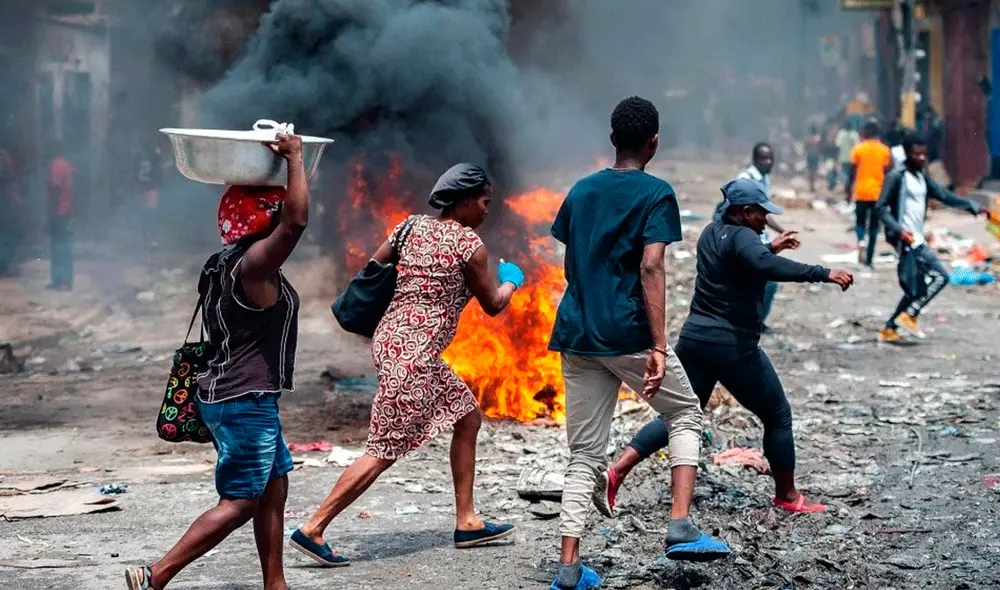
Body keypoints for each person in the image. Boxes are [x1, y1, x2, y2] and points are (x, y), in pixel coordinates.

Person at [292, 163, 523, 566]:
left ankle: (467, 522)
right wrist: (510, 280)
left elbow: (375, 268)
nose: (488, 210)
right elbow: (493, 304)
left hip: (393, 342)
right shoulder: (470, 246)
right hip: (414, 358)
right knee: (381, 450)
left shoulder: (409, 227)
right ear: (466, 200)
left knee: (468, 417)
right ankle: (313, 527)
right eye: (485, 202)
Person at [548, 96, 730, 590]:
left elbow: (573, 262)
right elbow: (651, 266)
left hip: (576, 333)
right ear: (654, 142)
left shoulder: (582, 190)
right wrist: (657, 344)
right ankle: (680, 523)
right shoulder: (656, 193)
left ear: (612, 140)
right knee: (686, 412)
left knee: (584, 454)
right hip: (626, 331)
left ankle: (568, 568)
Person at [596, 178, 855, 520]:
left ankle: (617, 470)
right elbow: (762, 266)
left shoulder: (710, 233)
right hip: (732, 346)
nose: (766, 219)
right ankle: (788, 495)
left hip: (695, 340)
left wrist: (771, 248)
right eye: (761, 213)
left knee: (680, 414)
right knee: (777, 414)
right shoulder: (745, 237)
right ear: (745, 213)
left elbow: (742, 266)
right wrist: (823, 272)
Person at [125, 133, 307, 590]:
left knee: (274, 484)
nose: (283, 214)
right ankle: (156, 575)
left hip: (240, 395)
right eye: (275, 210)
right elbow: (298, 222)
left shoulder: (223, 262)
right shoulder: (253, 267)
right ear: (265, 221)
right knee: (240, 500)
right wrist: (295, 159)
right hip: (243, 400)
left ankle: (275, 582)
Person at [875, 133, 989, 343]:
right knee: (940, 277)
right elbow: (880, 209)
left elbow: (945, 196)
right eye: (916, 154)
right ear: (907, 155)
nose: (921, 158)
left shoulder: (922, 178)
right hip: (909, 241)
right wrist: (899, 231)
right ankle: (909, 315)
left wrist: (974, 207)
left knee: (915, 289)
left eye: (923, 154)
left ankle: (889, 328)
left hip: (918, 238)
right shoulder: (897, 178)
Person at [726, 143, 791, 331]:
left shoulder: (764, 178)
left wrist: (781, 232)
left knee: (761, 281)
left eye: (771, 158)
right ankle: (751, 323)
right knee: (766, 280)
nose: (768, 162)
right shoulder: (745, 180)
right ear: (755, 160)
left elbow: (764, 212)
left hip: (757, 239)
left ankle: (753, 322)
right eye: (764, 158)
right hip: (746, 239)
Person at [847, 119, 892, 267]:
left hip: (861, 192)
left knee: (860, 222)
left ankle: (861, 242)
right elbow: (888, 173)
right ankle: (869, 260)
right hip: (878, 194)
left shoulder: (858, 149)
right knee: (873, 226)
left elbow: (852, 173)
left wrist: (848, 191)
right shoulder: (885, 150)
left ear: (865, 132)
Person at [47, 143, 75, 291]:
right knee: (63, 247)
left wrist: (50, 214)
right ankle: (62, 280)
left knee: (59, 247)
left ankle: (61, 281)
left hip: (59, 212)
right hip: (67, 210)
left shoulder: (56, 164)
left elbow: (56, 189)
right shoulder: (67, 164)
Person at [830, 120, 859, 191]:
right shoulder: (854, 134)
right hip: (852, 158)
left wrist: (835, 157)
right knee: (849, 173)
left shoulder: (841, 134)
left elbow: (837, 146)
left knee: (845, 173)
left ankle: (847, 186)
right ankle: (848, 186)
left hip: (844, 158)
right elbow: (857, 146)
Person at [805, 123, 822, 193]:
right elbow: (820, 148)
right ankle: (813, 186)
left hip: (809, 155)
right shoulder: (818, 138)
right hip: (815, 156)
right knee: (814, 171)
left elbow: (805, 147)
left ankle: (811, 185)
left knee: (810, 171)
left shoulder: (808, 138)